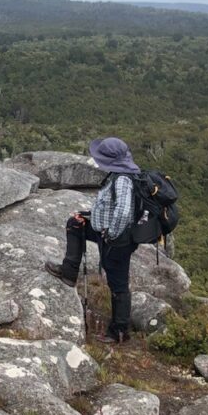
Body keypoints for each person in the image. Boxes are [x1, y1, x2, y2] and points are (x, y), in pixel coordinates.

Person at [44, 137, 141, 344]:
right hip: (104, 231)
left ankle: (119, 331)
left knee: (118, 284)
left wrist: (111, 234)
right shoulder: (117, 175)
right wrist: (87, 216)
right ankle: (69, 272)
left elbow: (123, 212)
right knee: (75, 224)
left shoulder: (123, 179)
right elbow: (110, 208)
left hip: (117, 240)